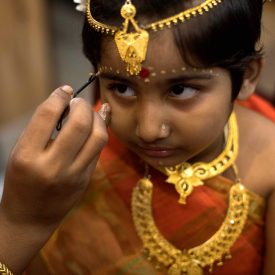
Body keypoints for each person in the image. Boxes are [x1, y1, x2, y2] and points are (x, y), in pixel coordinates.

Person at [0, 0, 274, 274]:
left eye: (179, 90)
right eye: (122, 88)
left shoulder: (269, 165)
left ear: (247, 76)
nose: (149, 130)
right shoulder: (77, 163)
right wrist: (22, 220)